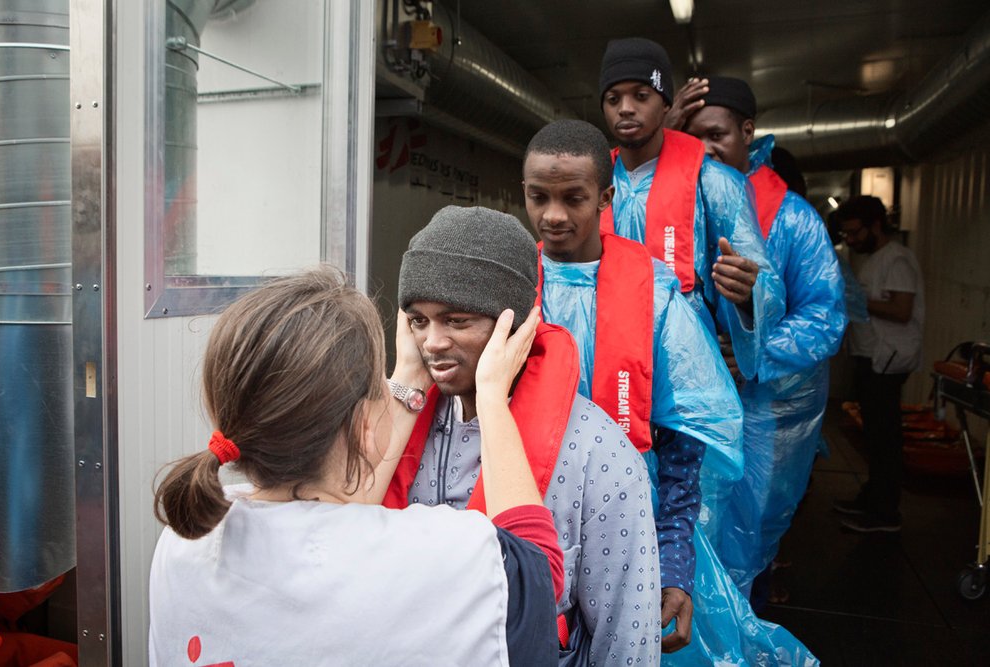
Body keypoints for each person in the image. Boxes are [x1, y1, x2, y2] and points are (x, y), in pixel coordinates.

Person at [149, 266, 563, 667]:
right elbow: (538, 573)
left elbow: (334, 517)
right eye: (380, 385)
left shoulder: (185, 535)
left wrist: (405, 378)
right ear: (364, 425)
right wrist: (492, 396)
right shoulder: (428, 559)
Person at [387, 206, 661, 666]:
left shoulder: (600, 453)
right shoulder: (400, 422)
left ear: (511, 324)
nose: (432, 341)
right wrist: (402, 385)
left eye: (456, 320)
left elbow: (627, 640)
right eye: (418, 320)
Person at [522, 118, 743, 653]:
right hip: (527, 528)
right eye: (537, 197)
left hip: (629, 533)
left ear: (606, 196)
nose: (553, 216)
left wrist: (674, 561)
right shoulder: (506, 285)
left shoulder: (658, 298)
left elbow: (683, 447)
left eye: (573, 198)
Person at [669, 76, 847, 601]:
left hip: (766, 414)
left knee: (746, 543)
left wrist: (753, 352)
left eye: (716, 134)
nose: (704, 148)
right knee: (686, 538)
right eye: (690, 135)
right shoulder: (673, 205)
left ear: (748, 132)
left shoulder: (792, 219)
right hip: (688, 413)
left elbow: (824, 314)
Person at [597, 38, 786, 383]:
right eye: (613, 98)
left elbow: (770, 288)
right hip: (614, 375)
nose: (625, 108)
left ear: (666, 104)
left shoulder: (714, 183)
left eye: (641, 95)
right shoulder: (592, 185)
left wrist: (748, 295)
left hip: (692, 379)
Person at [833, 195, 924, 533]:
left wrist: (856, 301)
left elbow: (901, 311)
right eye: (847, 235)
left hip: (888, 359)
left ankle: (885, 512)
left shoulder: (897, 260)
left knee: (884, 437)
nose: (852, 241)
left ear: (875, 226)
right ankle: (872, 497)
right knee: (874, 434)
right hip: (871, 356)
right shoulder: (870, 259)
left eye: (856, 233)